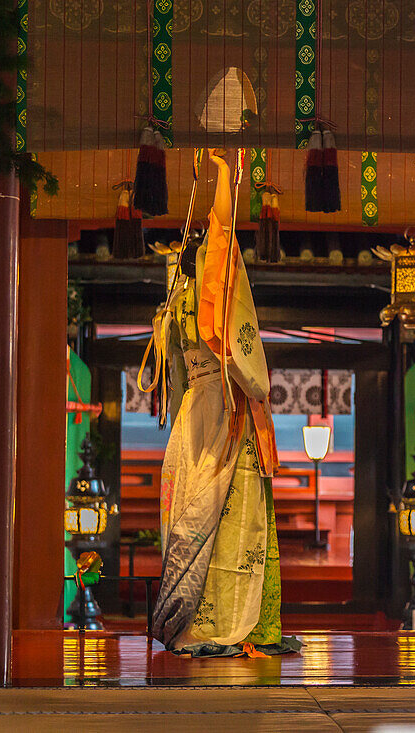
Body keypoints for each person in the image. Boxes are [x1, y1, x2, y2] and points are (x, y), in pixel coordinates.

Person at [150, 149, 297, 657]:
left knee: (196, 514)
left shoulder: (176, 307)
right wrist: (223, 177)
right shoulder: (210, 297)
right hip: (222, 410)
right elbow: (221, 232)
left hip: (196, 408)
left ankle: (196, 618)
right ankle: (218, 622)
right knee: (230, 518)